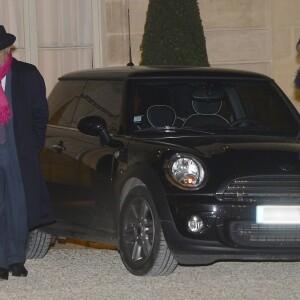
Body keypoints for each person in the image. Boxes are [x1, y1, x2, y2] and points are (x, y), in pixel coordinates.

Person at [0, 25, 55, 280]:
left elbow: (39, 115)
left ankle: (15, 259)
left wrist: (33, 147)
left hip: (17, 149)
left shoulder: (27, 74)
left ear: (6, 50)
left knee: (17, 206)